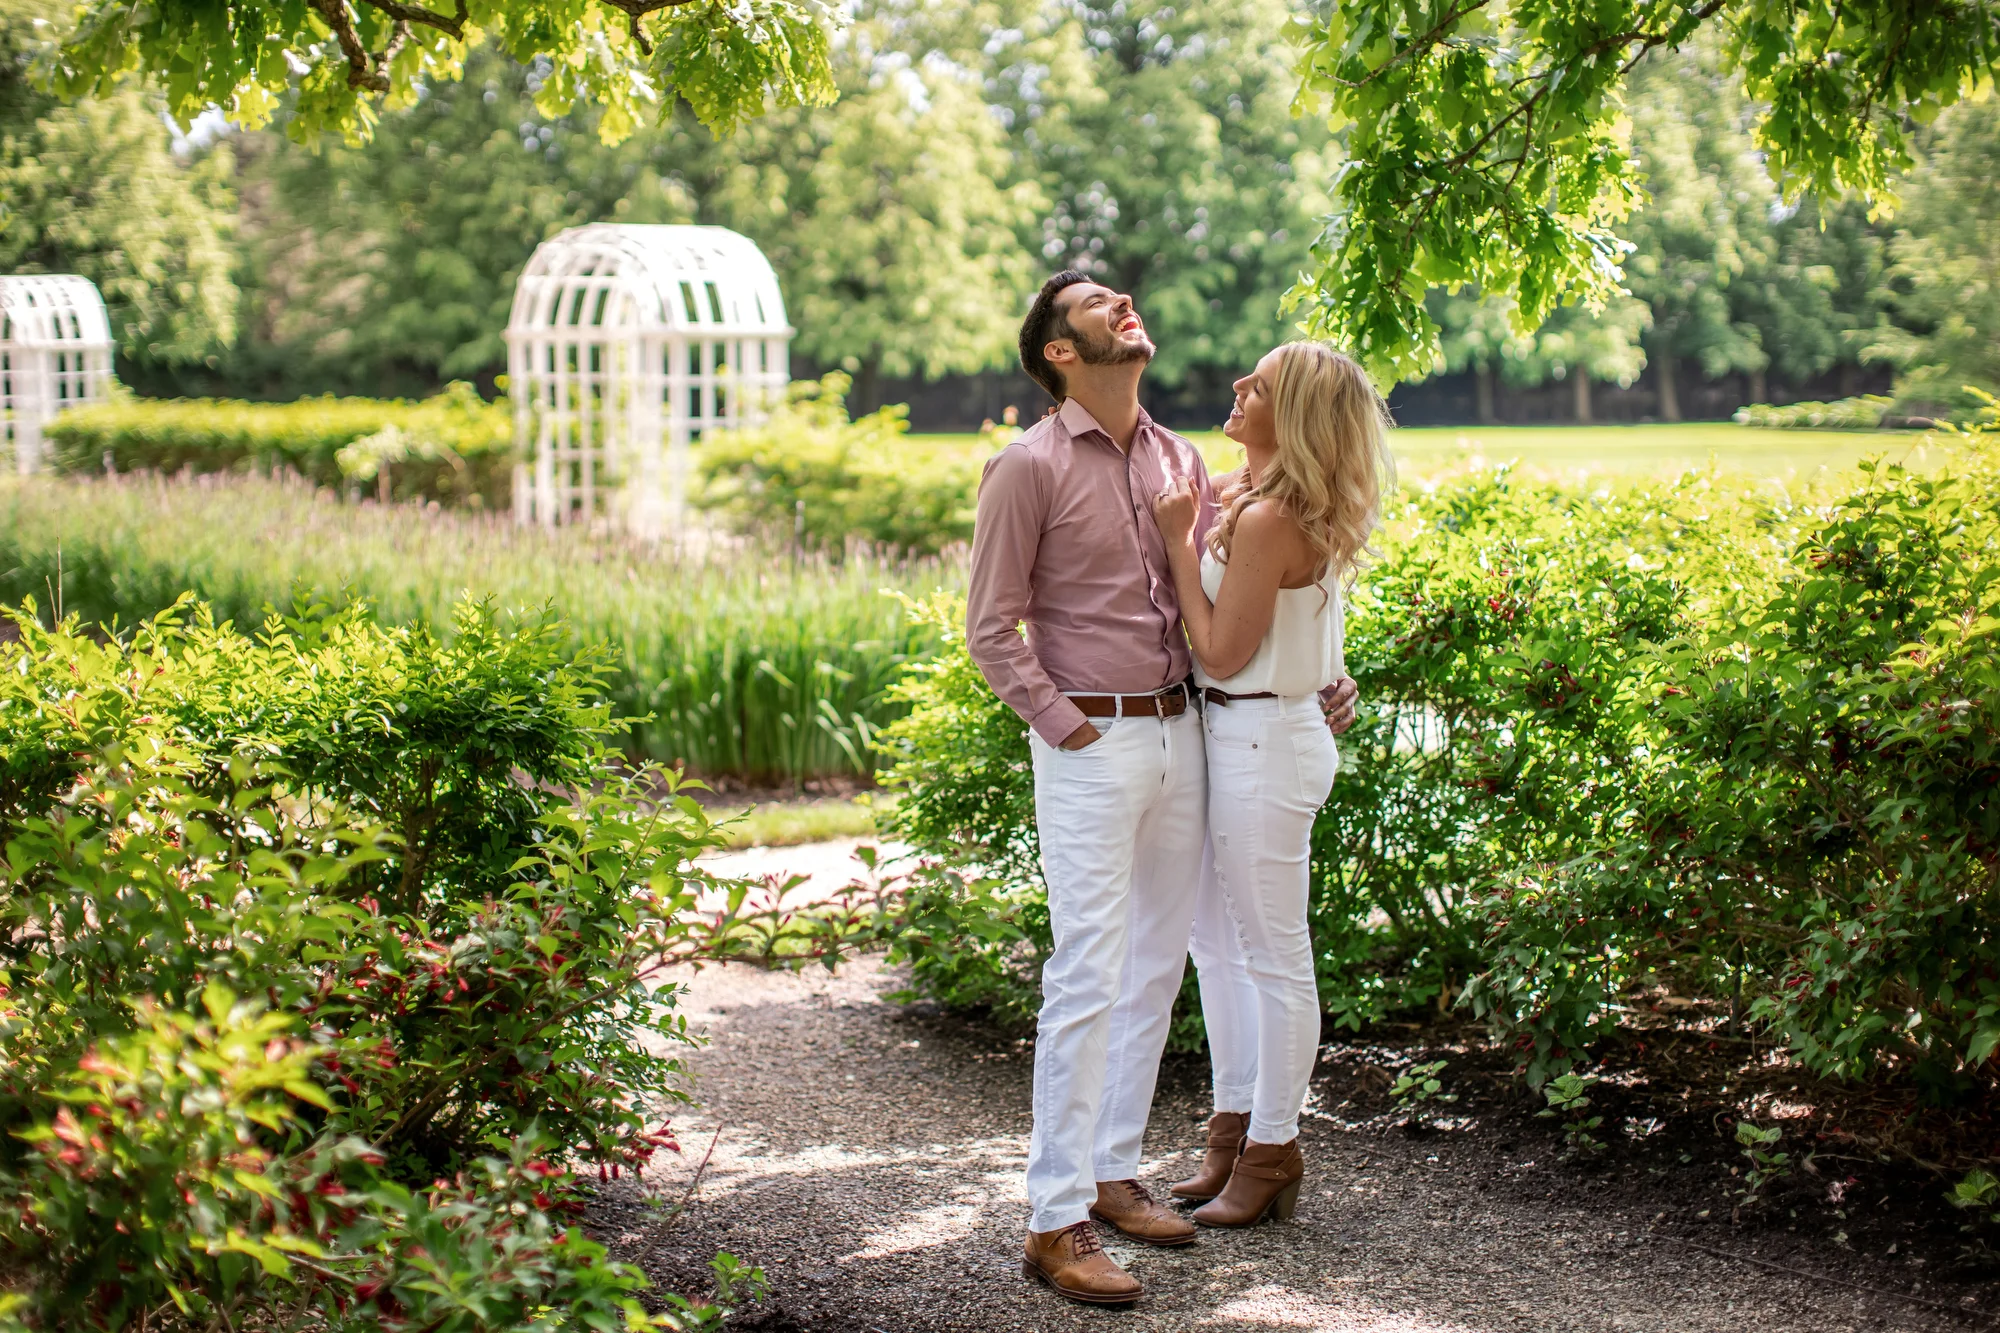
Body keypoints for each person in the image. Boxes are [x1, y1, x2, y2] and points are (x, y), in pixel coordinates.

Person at [967, 272, 1359, 1306]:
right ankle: (1053, 1220)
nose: (1124, 301)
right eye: (1095, 301)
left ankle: (1110, 1170)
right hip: (1092, 740)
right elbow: (988, 632)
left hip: (1187, 729)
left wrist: (1319, 672)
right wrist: (1068, 730)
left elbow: (1262, 594)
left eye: (1123, 294)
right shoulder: (1026, 467)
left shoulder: (1184, 459)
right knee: (1086, 970)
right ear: (1059, 348)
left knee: (1154, 966)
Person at [1150, 341, 1394, 1228]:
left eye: (1258, 384)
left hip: (1261, 737)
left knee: (1273, 954)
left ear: (1291, 414)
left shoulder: (1267, 518)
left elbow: (1219, 649)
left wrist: (1181, 550)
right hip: (1243, 729)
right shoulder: (1245, 498)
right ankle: (1232, 1124)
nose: (1237, 388)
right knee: (1219, 950)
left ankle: (1275, 1145)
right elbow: (1301, 630)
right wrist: (1328, 672)